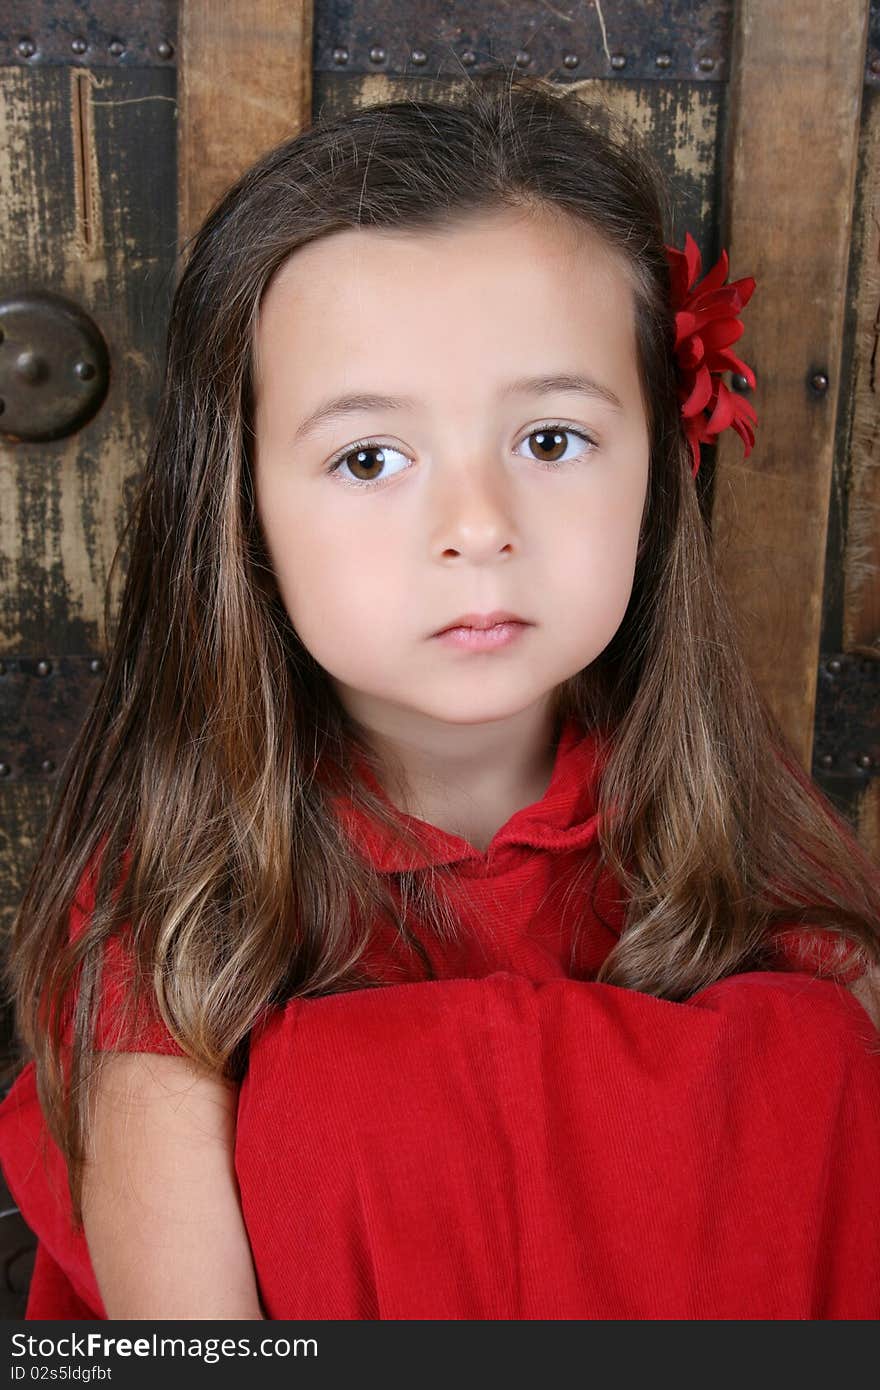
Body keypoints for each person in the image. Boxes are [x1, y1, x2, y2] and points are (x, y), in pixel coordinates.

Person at [1, 70, 879, 1322]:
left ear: (657, 473)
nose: (476, 528)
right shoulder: (180, 894)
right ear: (239, 507)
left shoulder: (742, 818)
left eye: (551, 440)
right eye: (369, 457)